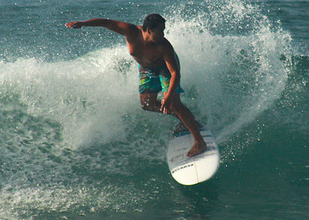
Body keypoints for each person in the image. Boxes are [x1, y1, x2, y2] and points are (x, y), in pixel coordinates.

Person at [65, 14, 208, 157]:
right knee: (147, 104)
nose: (163, 34)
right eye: (160, 31)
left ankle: (199, 141)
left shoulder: (164, 46)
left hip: (165, 68)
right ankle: (186, 118)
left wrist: (169, 96)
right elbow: (106, 23)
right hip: (146, 69)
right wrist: (83, 23)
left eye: (164, 30)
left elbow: (175, 73)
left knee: (174, 104)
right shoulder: (131, 31)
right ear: (148, 30)